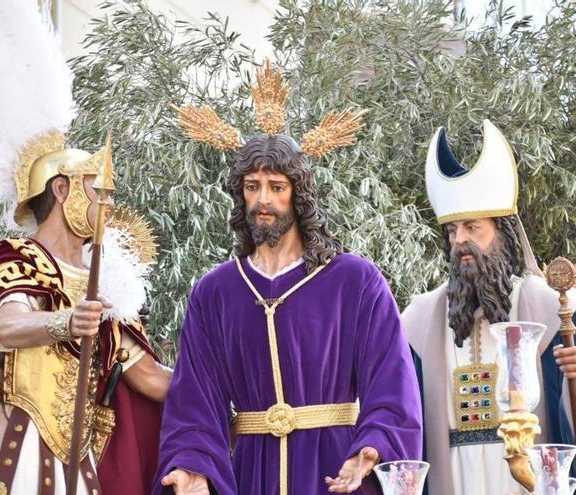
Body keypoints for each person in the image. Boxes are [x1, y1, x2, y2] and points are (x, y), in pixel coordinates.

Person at [155, 62, 422, 495]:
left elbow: (392, 382)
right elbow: (194, 401)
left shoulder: (354, 281)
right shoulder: (216, 292)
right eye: (252, 186)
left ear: (298, 193)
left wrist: (373, 447)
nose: (263, 199)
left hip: (334, 469)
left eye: (277, 186)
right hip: (251, 472)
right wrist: (192, 466)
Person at [0, 134, 172, 495]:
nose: (110, 204)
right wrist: (66, 322)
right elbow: (7, 325)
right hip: (13, 450)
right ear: (61, 189)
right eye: (99, 189)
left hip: (79, 462)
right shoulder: (14, 260)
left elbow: (149, 377)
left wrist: (222, 390)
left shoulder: (107, 284)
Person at [401, 121, 576, 494]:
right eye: (452, 230)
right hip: (453, 479)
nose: (460, 241)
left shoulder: (558, 312)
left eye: (473, 227)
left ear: (503, 233)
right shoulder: (418, 322)